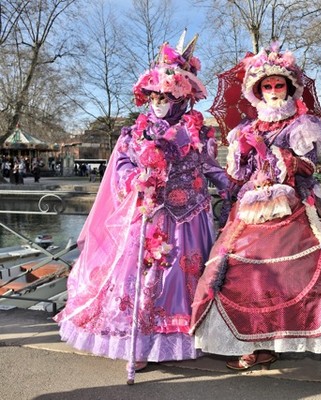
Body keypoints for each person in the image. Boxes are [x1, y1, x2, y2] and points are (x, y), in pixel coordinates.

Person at [54, 32, 230, 372]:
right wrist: (139, 179)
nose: (159, 100)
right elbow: (120, 166)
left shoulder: (199, 133)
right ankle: (141, 340)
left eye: (167, 94)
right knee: (144, 278)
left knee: (185, 279)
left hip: (190, 219)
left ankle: (190, 335)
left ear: (182, 95)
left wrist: (234, 189)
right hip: (148, 216)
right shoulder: (135, 132)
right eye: (154, 94)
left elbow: (212, 169)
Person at [189, 43, 321, 371]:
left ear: (290, 88)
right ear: (258, 91)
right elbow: (238, 175)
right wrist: (244, 156)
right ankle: (247, 344)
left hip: (292, 205)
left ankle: (271, 343)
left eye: (279, 85)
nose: (274, 91)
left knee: (286, 275)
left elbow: (310, 166)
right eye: (267, 86)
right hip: (250, 207)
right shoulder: (246, 129)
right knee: (237, 272)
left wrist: (282, 159)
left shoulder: (303, 126)